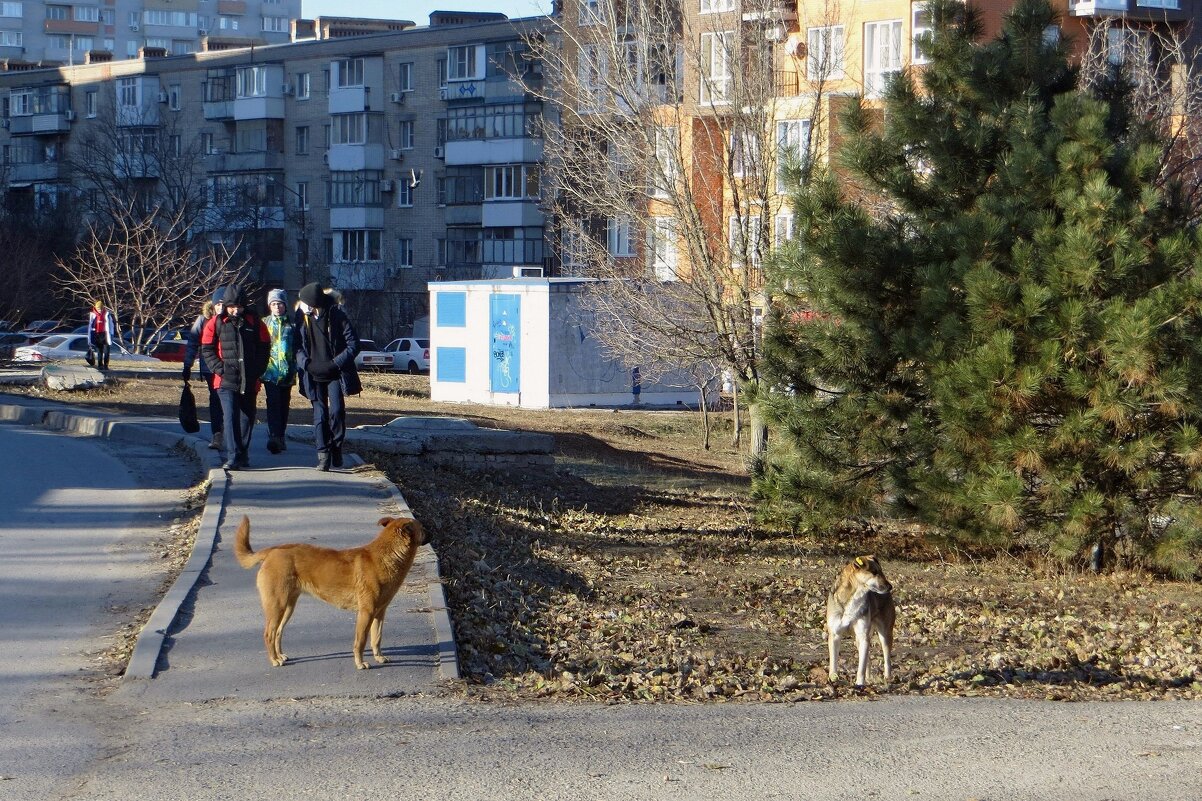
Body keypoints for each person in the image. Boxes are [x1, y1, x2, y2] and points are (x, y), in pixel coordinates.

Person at [200, 285, 269, 471]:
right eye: (232, 306)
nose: (235, 310)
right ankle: (232, 456)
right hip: (225, 380)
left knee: (247, 418)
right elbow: (207, 349)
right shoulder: (215, 323)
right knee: (230, 417)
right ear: (225, 305)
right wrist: (220, 369)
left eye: (239, 307)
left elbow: (264, 348)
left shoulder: (255, 322)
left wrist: (256, 371)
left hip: (249, 378)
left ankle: (242, 453)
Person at [294, 282, 360, 471]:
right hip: (312, 373)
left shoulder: (337, 316)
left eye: (305, 302)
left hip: (334, 373)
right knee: (320, 415)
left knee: (337, 412)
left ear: (314, 304)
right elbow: (296, 346)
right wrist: (306, 363)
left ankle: (336, 447)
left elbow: (354, 345)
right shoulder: (301, 319)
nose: (302, 305)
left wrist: (335, 363)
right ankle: (323, 455)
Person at [183, 293, 226, 450]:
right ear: (213, 305)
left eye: (223, 303)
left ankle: (229, 432)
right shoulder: (203, 320)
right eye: (218, 304)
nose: (220, 307)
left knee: (228, 401)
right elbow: (193, 342)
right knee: (215, 399)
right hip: (210, 368)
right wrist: (187, 365)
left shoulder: (231, 319)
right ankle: (217, 433)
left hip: (229, 367)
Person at [262, 288, 297, 454]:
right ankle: (274, 436)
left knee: (284, 405)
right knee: (273, 403)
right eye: (274, 304)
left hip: (288, 372)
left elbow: (298, 347)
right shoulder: (264, 323)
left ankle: (280, 435)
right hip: (270, 372)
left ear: (285, 305)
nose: (277, 307)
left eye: (280, 304)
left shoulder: (292, 325)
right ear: (270, 306)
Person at [87, 300, 117, 370]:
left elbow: (111, 325)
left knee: (107, 351)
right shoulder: (93, 315)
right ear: (95, 308)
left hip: (105, 334)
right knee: (99, 351)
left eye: (100, 309)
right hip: (97, 334)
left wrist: (111, 334)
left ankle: (106, 365)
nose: (99, 310)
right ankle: (100, 365)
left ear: (103, 308)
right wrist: (90, 336)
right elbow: (90, 326)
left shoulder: (107, 314)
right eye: (98, 309)